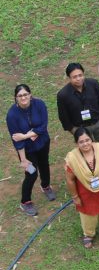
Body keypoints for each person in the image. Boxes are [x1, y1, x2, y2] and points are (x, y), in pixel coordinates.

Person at [65, 128, 99, 248]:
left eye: (87, 140)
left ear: (92, 139)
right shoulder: (72, 158)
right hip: (85, 191)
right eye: (81, 142)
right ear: (76, 143)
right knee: (87, 213)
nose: (85, 144)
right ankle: (88, 234)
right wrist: (75, 197)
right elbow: (70, 179)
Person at [8, 85, 55, 216]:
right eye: (20, 96)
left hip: (43, 142)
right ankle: (25, 202)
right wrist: (23, 159)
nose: (23, 97)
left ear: (30, 95)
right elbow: (17, 140)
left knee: (44, 164)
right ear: (16, 98)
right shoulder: (12, 115)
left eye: (25, 94)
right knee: (32, 173)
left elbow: (43, 126)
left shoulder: (39, 104)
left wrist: (25, 135)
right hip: (27, 150)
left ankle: (46, 186)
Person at [56, 63, 99, 143]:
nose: (78, 79)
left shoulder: (93, 83)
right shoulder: (63, 95)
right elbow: (63, 116)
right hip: (80, 128)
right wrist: (73, 130)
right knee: (87, 150)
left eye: (80, 75)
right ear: (69, 78)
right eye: (74, 77)